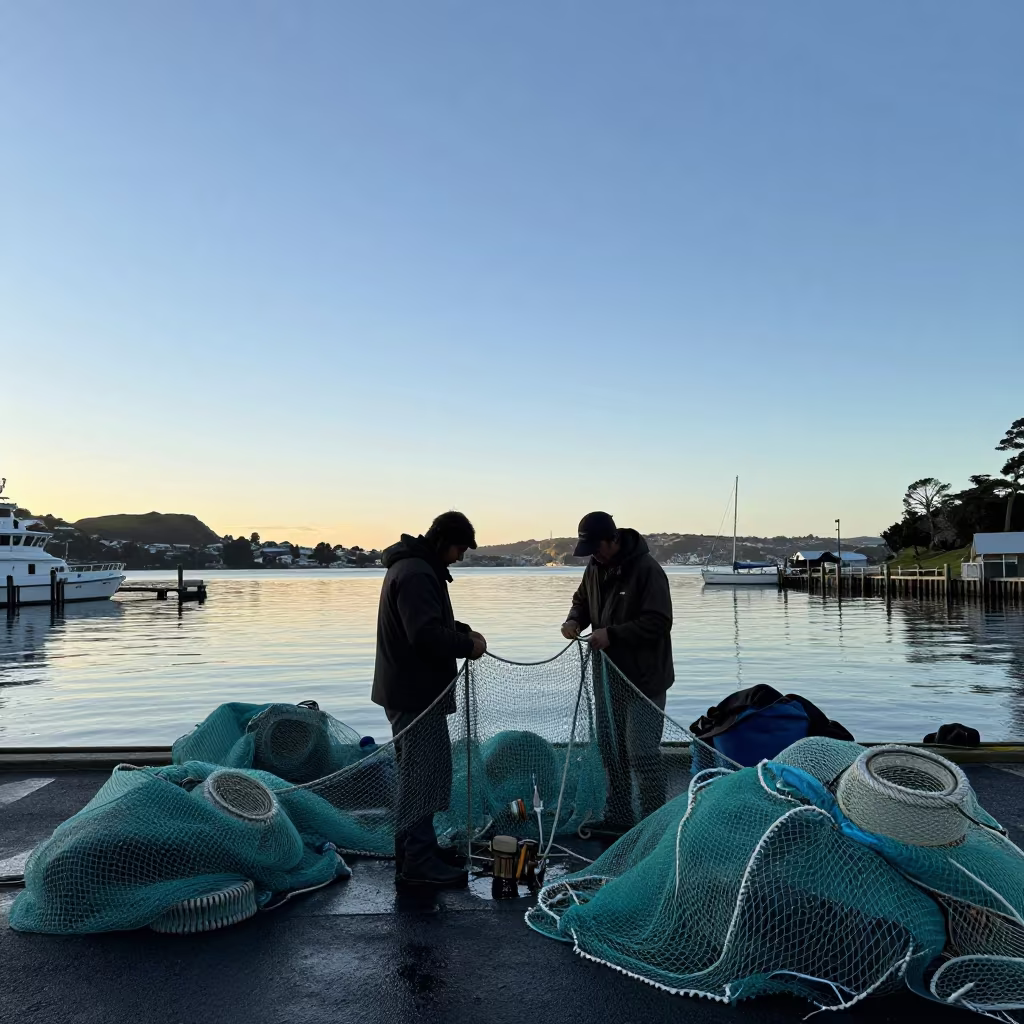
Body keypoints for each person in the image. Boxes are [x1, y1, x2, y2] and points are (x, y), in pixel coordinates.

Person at [372, 511, 486, 889]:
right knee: (420, 776)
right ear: (442, 541)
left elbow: (428, 623)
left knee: (418, 774)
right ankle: (418, 861)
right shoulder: (419, 574)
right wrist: (466, 645)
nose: (460, 557)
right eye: (458, 548)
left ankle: (415, 850)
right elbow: (423, 635)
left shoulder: (413, 567)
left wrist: (461, 630)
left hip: (410, 691)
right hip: (414, 695)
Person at [561, 511, 673, 830]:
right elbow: (581, 601)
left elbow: (660, 620)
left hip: (644, 680)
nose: (594, 555)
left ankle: (654, 825)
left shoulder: (648, 570)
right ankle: (618, 817)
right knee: (611, 750)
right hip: (608, 678)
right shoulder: (595, 567)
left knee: (641, 753)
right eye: (590, 550)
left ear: (614, 539)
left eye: (598, 547)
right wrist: (573, 620)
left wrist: (613, 634)